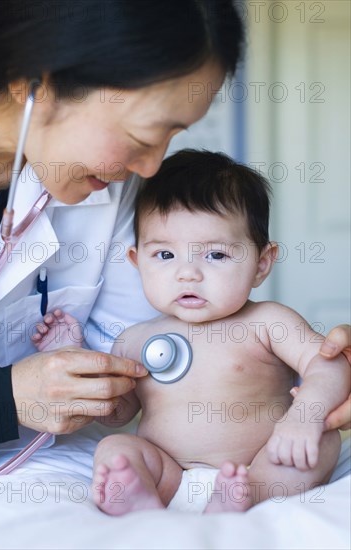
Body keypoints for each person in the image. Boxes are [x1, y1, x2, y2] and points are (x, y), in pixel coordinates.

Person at [0, 0, 349, 460]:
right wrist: (6, 398)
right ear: (35, 83)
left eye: (171, 138)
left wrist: (325, 377)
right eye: (142, 136)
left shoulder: (115, 189)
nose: (153, 166)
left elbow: (146, 368)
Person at [32, 150, 350, 514]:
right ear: (137, 262)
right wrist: (76, 357)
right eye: (165, 256)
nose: (188, 274)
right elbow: (116, 414)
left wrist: (304, 416)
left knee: (322, 441)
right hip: (172, 474)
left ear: (261, 264)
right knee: (116, 448)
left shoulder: (268, 322)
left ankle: (249, 500)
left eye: (215, 255)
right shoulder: (134, 340)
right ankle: (139, 497)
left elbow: (331, 363)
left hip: (259, 467)